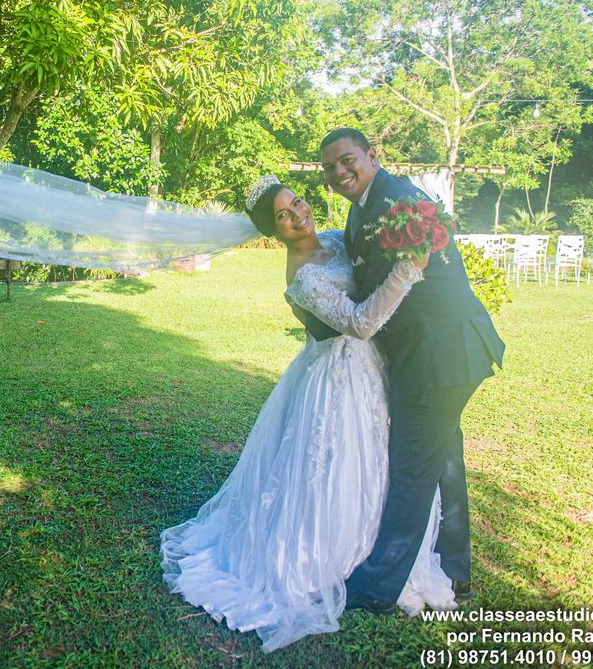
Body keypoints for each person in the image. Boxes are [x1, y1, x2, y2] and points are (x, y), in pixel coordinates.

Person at [160, 176, 456, 653]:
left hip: (374, 374)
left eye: (295, 202)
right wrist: (409, 267)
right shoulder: (302, 277)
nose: (297, 214)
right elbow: (360, 323)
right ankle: (328, 557)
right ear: (273, 232)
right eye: (283, 215)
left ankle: (382, 552)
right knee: (332, 467)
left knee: (379, 462)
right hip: (337, 379)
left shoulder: (339, 240)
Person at [319, 127, 505, 613]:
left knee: (412, 466)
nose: (339, 172)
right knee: (441, 457)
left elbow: (397, 282)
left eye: (347, 160)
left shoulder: (399, 200)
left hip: (440, 352)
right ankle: (454, 570)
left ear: (371, 156)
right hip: (432, 352)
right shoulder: (363, 205)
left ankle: (378, 587)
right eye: (330, 168)